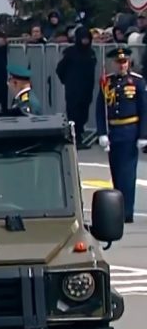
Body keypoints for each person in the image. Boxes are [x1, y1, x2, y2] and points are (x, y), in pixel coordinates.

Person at [96, 46, 147, 223]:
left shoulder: (137, 82)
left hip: (129, 131)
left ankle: (127, 212)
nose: (121, 65)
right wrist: (102, 133)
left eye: (124, 62)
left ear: (129, 62)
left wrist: (143, 135)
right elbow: (100, 109)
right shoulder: (107, 82)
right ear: (113, 63)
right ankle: (117, 211)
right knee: (116, 173)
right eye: (118, 62)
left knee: (127, 175)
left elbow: (144, 110)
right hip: (113, 132)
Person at [55, 26, 98, 141]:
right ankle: (74, 135)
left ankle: (80, 132)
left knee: (84, 112)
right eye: (83, 39)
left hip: (87, 88)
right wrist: (67, 81)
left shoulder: (91, 53)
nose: (85, 41)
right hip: (73, 89)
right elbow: (60, 69)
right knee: (73, 112)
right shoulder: (70, 53)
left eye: (87, 39)